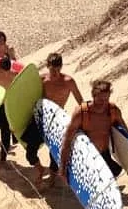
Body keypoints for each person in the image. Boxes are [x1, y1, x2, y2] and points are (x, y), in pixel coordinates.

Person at [21, 53, 83, 187]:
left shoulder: (68, 81)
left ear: (61, 67)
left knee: (55, 152)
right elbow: (29, 94)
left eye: (57, 69)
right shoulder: (42, 79)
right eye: (51, 69)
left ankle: (52, 178)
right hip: (42, 117)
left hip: (57, 119)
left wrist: (81, 119)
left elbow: (80, 101)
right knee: (30, 151)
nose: (54, 73)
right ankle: (40, 169)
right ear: (47, 67)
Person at [59, 79, 128, 181]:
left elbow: (126, 135)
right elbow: (67, 139)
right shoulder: (81, 113)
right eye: (100, 100)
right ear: (93, 96)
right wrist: (63, 167)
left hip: (105, 155)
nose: (104, 103)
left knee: (112, 174)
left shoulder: (113, 111)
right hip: (86, 157)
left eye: (107, 99)